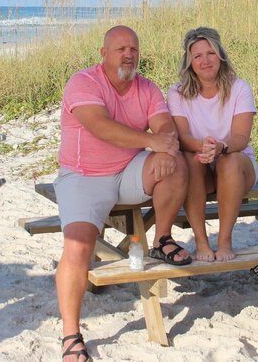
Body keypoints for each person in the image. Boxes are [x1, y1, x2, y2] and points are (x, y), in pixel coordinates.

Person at [53, 25, 191, 361]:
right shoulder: (83, 82)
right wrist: (150, 142)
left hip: (129, 171)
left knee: (177, 165)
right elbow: (100, 125)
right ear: (103, 54)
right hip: (84, 176)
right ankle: (71, 333)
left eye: (133, 49)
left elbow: (165, 127)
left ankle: (162, 239)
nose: (128, 55)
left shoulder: (146, 87)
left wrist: (163, 147)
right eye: (120, 49)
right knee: (78, 246)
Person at [166, 27, 258, 262]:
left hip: (237, 164)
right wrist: (202, 147)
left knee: (229, 160)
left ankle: (225, 241)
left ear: (221, 56)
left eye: (210, 53)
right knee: (189, 158)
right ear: (189, 62)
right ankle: (201, 241)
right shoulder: (177, 93)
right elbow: (182, 136)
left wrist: (221, 147)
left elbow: (241, 138)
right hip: (200, 164)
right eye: (197, 56)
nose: (205, 61)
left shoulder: (239, 88)